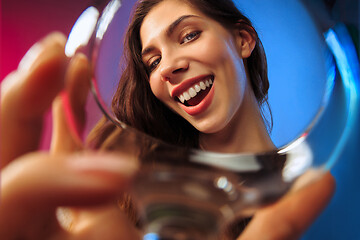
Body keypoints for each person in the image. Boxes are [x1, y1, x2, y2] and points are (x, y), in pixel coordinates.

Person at [0, 0, 335, 239]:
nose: (169, 67)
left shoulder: (317, 196)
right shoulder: (128, 189)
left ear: (243, 40)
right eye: (153, 61)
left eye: (189, 35)